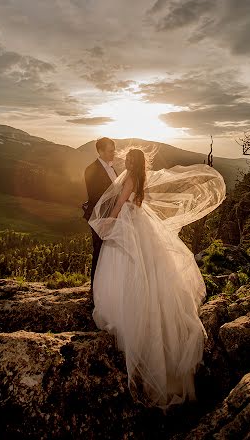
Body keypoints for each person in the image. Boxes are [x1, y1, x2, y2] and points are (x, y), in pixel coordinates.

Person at [88, 148, 226, 412]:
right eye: (126, 159)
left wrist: (109, 224)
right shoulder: (141, 177)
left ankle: (128, 311)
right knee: (148, 267)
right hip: (140, 222)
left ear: (134, 162)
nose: (126, 162)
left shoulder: (129, 179)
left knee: (129, 266)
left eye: (129, 160)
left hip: (129, 223)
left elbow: (119, 204)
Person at [83, 137, 118, 300]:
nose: (114, 153)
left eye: (114, 150)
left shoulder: (112, 168)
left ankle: (108, 287)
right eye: (110, 151)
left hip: (112, 217)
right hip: (100, 217)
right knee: (99, 251)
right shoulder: (91, 170)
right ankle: (95, 291)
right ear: (100, 151)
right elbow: (96, 197)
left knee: (110, 252)